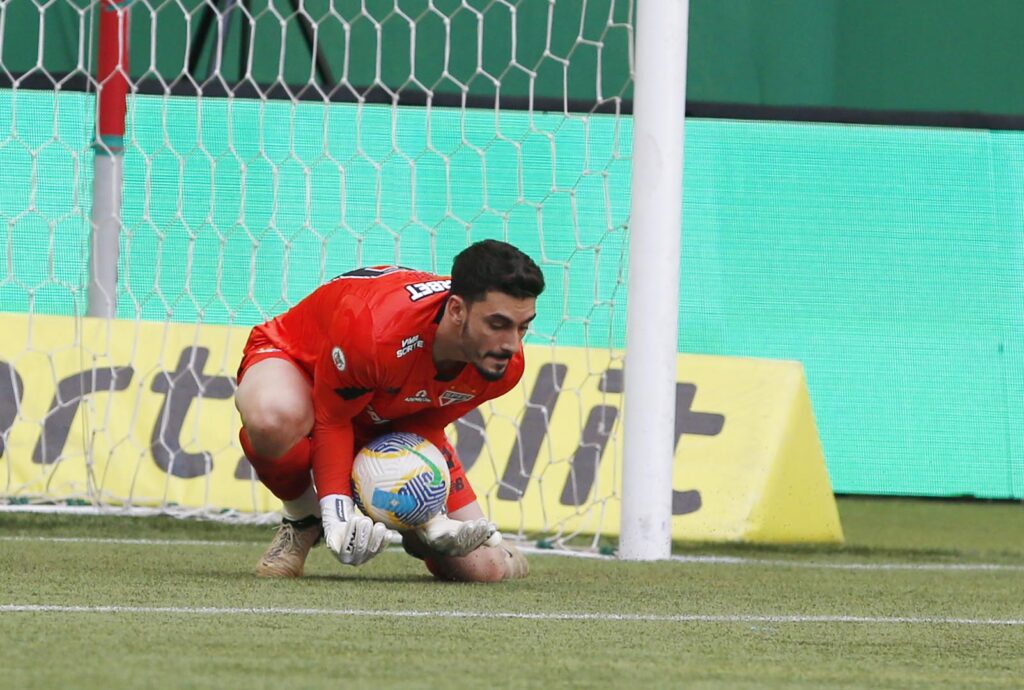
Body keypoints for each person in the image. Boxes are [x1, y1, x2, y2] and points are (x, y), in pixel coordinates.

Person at [234, 239, 543, 582]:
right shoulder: (376, 333)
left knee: (485, 570)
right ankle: (303, 517)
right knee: (273, 416)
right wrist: (335, 514)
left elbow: (423, 425)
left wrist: (430, 517)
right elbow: (333, 419)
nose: (512, 344)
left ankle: (495, 552)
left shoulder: (504, 366)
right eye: (497, 325)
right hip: (297, 362)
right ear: (456, 310)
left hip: (382, 405)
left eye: (522, 326)